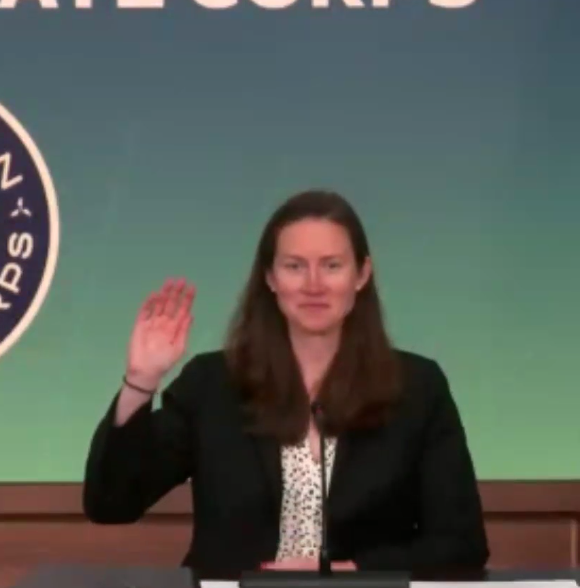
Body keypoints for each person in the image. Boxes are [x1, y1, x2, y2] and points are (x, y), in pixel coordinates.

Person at [82, 189, 489, 575]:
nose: (313, 284)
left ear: (361, 274)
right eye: (294, 266)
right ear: (271, 278)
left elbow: (462, 544)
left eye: (332, 265)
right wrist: (141, 381)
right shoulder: (212, 385)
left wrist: (352, 573)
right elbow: (111, 504)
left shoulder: (417, 387)